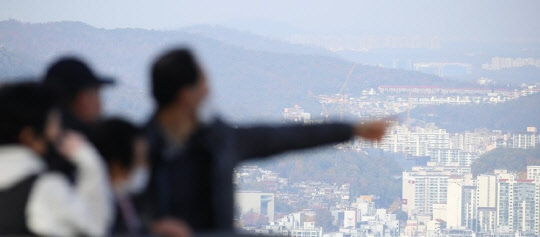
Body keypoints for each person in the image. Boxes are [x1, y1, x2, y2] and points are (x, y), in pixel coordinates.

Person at [141, 48, 389, 233]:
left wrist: (351, 130)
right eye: (203, 85)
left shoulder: (218, 140)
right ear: (187, 95)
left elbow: (284, 137)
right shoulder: (136, 147)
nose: (208, 91)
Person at [0, 82, 112, 236]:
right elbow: (96, 229)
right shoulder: (46, 188)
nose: (59, 132)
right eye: (53, 124)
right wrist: (90, 162)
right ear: (29, 137)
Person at [42, 57, 114, 182]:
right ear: (80, 98)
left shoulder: (39, 141)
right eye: (94, 93)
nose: (100, 104)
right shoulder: (76, 151)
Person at [90, 118, 149, 235]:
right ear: (116, 166)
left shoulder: (127, 201)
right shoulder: (97, 210)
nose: (144, 167)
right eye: (139, 161)